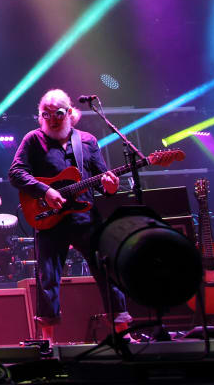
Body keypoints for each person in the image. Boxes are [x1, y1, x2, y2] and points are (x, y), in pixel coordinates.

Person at [8, 88, 132, 343]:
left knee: (107, 268)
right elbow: (16, 173)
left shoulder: (87, 141)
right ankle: (48, 342)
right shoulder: (33, 140)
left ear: (70, 113)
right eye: (47, 114)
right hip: (48, 217)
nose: (53, 118)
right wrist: (45, 190)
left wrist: (110, 187)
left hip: (85, 216)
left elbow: (101, 178)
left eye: (58, 113)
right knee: (48, 277)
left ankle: (123, 334)